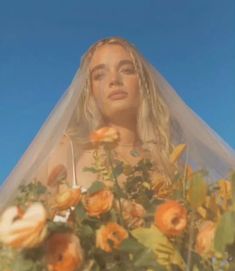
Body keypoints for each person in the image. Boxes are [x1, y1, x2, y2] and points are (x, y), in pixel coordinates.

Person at [0, 37, 235, 271]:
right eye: (99, 75)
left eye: (127, 70)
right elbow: (17, 236)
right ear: (90, 91)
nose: (114, 81)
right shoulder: (67, 152)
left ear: (143, 84)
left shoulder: (168, 164)